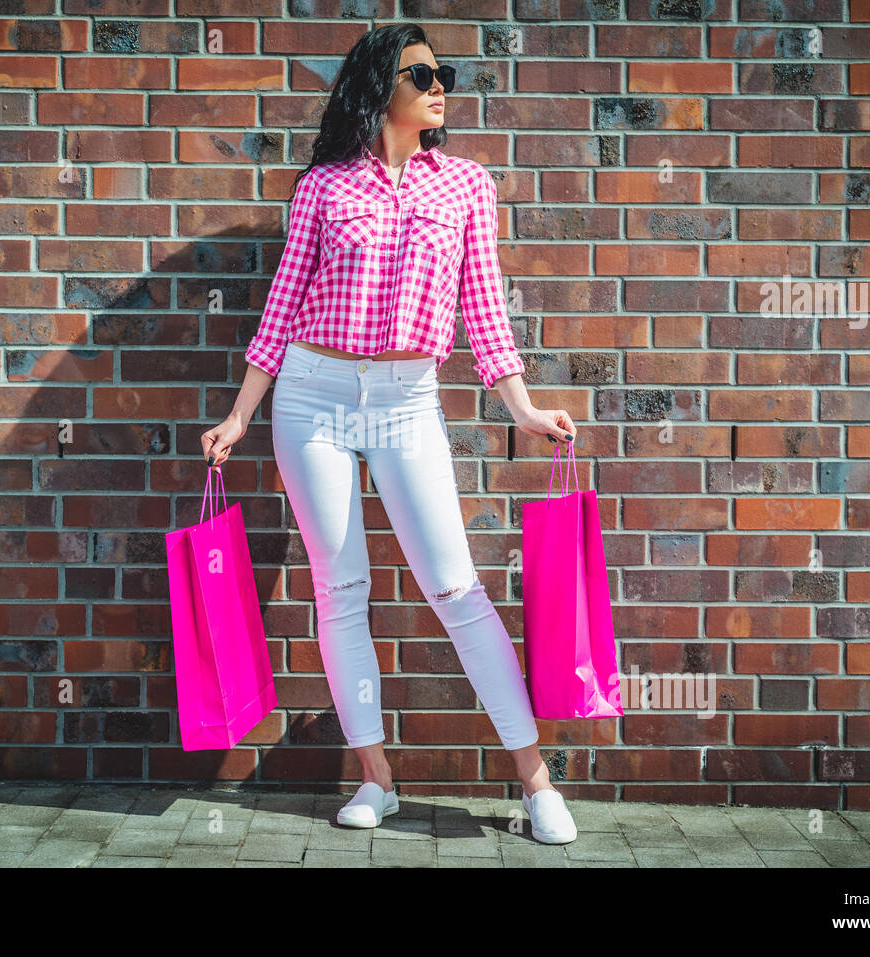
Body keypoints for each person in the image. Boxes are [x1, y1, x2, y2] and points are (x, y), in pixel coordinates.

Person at [200, 23, 579, 844]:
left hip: (408, 401)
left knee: (455, 588)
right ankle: (377, 777)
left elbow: (484, 308)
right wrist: (240, 413)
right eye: (423, 74)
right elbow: (281, 308)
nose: (441, 85)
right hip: (313, 395)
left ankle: (535, 778)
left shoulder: (467, 186)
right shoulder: (324, 189)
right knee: (340, 591)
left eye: (444, 74)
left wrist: (521, 407)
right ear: (380, 88)